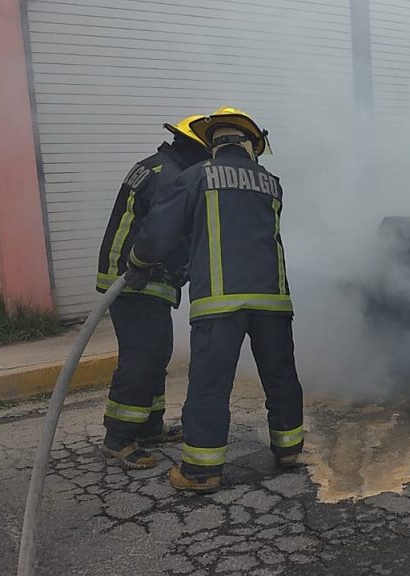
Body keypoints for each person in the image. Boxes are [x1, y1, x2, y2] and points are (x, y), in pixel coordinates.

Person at [128, 107, 303, 493]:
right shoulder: (271, 182)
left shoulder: (195, 177)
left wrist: (138, 261)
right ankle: (289, 449)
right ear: (249, 144)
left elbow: (160, 233)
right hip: (272, 300)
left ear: (214, 144)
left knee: (210, 384)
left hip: (219, 303)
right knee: (280, 375)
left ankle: (200, 472)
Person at [96, 115, 210, 469]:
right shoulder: (173, 178)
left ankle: (148, 426)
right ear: (195, 149)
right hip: (136, 278)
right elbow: (163, 233)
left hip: (135, 276)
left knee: (156, 349)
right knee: (142, 356)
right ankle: (119, 437)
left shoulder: (157, 166)